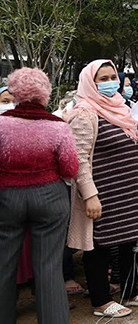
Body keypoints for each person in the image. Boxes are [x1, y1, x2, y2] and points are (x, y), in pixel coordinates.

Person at [66, 60, 138, 318]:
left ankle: (130, 290)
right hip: (101, 193)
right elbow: (78, 158)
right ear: (89, 83)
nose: (110, 82)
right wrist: (90, 195)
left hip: (127, 191)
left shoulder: (123, 109)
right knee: (99, 247)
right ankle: (101, 300)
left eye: (112, 76)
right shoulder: (84, 113)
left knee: (130, 241)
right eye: (102, 78)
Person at [0, 68, 78, 324]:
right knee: (49, 269)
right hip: (50, 198)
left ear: (14, 92)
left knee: (3, 267)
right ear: (45, 93)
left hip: (7, 198)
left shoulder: (1, 125)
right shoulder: (58, 127)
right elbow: (70, 168)